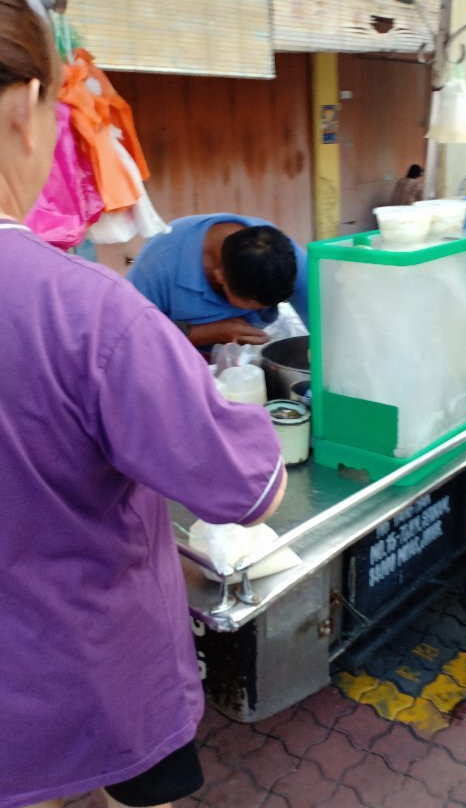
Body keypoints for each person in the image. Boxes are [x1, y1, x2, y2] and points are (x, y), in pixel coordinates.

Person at [0, 4, 286, 808]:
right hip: (95, 675)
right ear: (28, 110)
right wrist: (229, 393)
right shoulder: (89, 311)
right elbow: (247, 488)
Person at [127, 214, 309, 347]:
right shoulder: (157, 268)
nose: (263, 311)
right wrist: (210, 332)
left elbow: (324, 320)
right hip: (176, 360)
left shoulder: (278, 253)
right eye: (251, 306)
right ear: (220, 277)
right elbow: (134, 335)